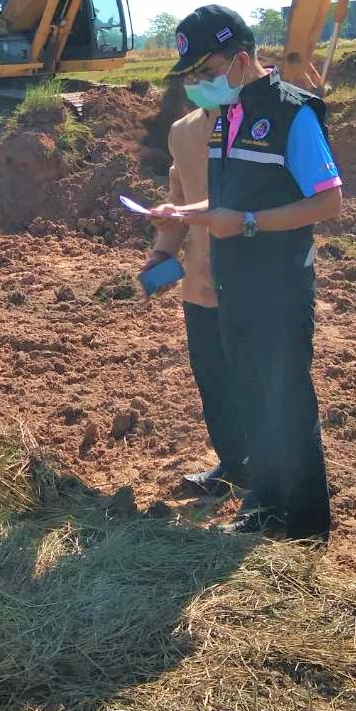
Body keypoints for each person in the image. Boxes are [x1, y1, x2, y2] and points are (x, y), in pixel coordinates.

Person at [152, 5, 343, 538]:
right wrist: (184, 213)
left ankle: (304, 528)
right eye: (193, 76)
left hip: (277, 284)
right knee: (251, 398)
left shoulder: (293, 113)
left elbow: (328, 201)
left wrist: (252, 224)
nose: (200, 84)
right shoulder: (225, 121)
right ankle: (264, 505)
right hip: (233, 283)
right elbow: (226, 201)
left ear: (239, 60)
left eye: (206, 71)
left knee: (285, 400)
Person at [144, 99, 246, 496]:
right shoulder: (182, 131)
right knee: (212, 378)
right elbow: (179, 197)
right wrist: (162, 254)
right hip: (202, 281)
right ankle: (235, 465)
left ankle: (274, 471)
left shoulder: (256, 125)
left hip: (251, 276)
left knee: (256, 378)